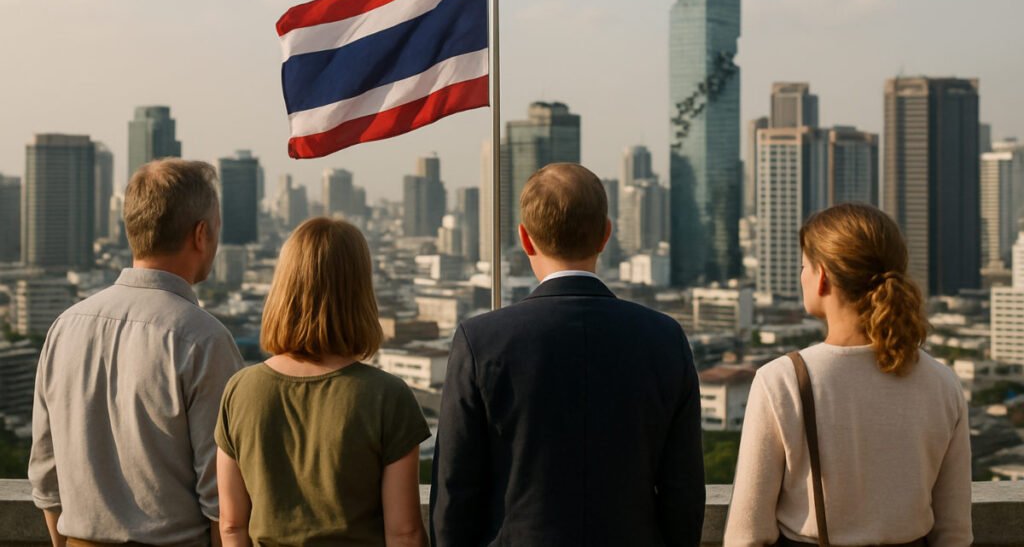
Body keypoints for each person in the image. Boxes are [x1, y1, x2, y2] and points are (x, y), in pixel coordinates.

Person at [431, 163, 705, 546]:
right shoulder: (664, 339)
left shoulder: (480, 341)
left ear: (525, 239)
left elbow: (454, 492)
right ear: (606, 234)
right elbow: (684, 491)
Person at [724, 203, 972, 546]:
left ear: (822, 276)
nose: (802, 276)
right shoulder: (942, 382)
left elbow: (747, 535)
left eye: (804, 266)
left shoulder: (784, 380)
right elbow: (954, 532)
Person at [29, 159, 244, 546]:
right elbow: (223, 502)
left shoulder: (65, 328)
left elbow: (47, 478)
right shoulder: (204, 340)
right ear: (201, 234)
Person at [215, 217, 430, 547]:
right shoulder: (387, 396)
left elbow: (231, 525)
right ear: (360, 293)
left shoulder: (240, 390)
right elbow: (404, 533)